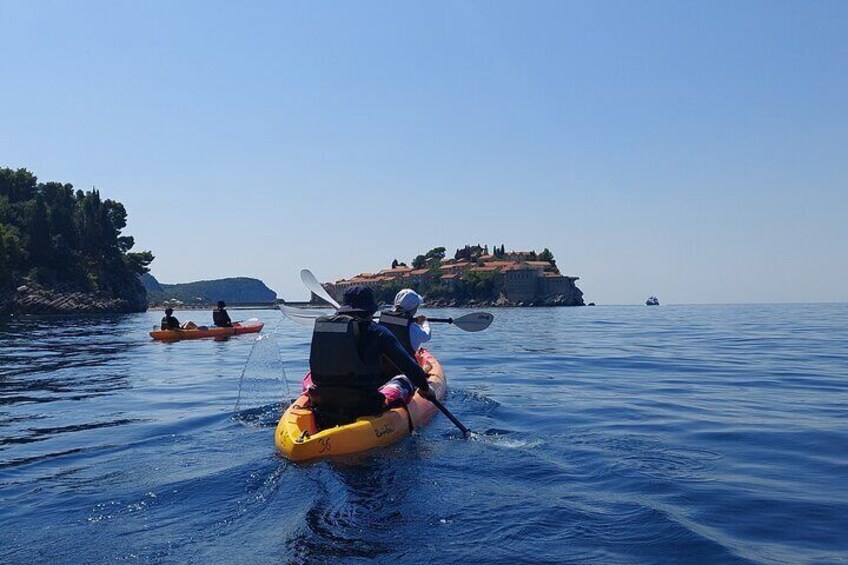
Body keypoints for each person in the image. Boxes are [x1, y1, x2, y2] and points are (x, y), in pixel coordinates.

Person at [305, 285, 436, 429]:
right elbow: (409, 367)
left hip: (323, 401)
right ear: (370, 310)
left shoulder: (325, 328)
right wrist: (425, 389)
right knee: (404, 379)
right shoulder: (378, 332)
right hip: (364, 405)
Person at [378, 288, 431, 356]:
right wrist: (424, 322)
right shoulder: (413, 329)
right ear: (413, 309)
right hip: (403, 365)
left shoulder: (378, 322)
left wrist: (412, 321)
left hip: (382, 364)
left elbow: (397, 321)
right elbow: (427, 336)